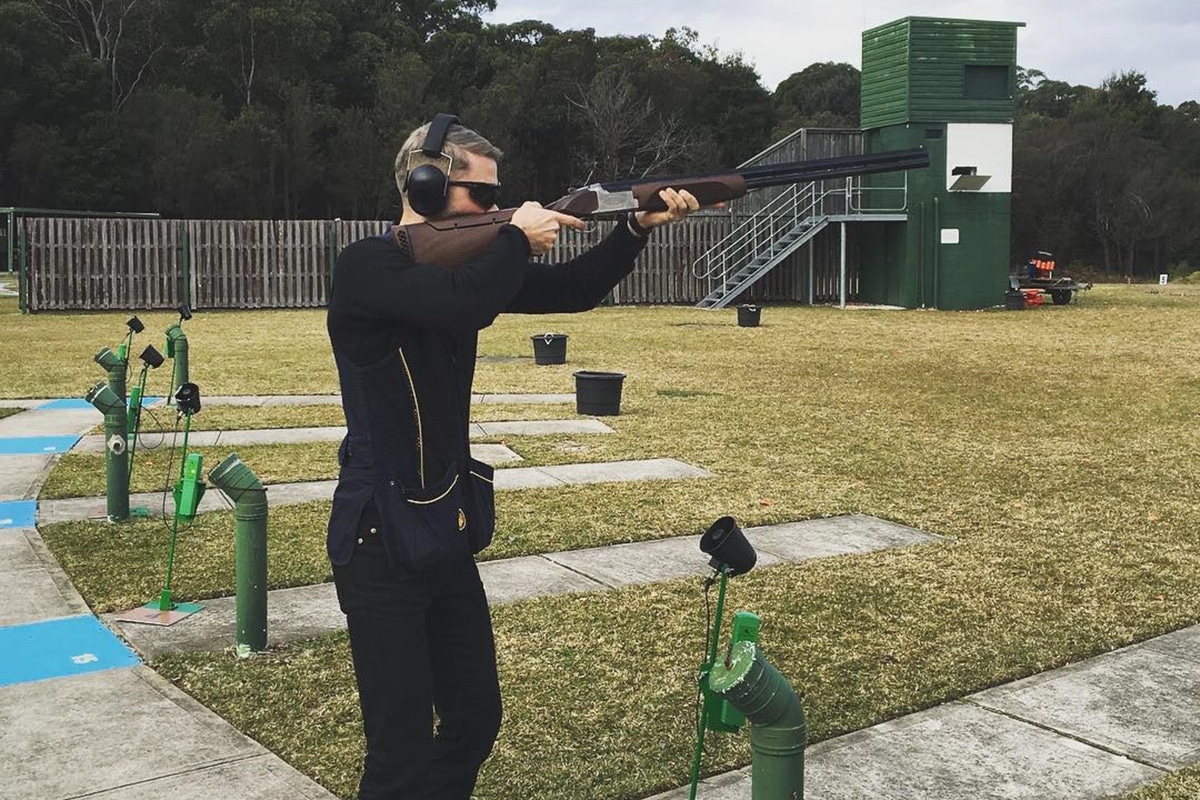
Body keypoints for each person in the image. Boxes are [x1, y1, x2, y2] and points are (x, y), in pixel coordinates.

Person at [325, 114, 702, 799]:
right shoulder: (365, 267)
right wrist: (514, 238)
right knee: (399, 754)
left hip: (444, 526)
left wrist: (635, 228)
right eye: (482, 193)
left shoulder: (473, 266)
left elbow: (572, 291)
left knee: (474, 720)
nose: (498, 206)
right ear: (426, 185)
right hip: (379, 538)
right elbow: (459, 306)